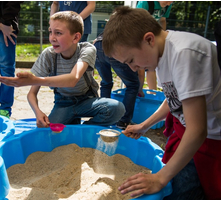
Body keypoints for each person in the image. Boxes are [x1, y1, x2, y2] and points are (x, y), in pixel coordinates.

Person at [102, 6, 221, 200]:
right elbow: (175, 98)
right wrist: (144, 125)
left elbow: (198, 130)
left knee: (181, 191)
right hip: (189, 133)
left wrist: (160, 178)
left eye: (131, 60)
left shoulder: (184, 54)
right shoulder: (160, 53)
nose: (133, 68)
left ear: (148, 39)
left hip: (211, 141)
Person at [0, 11, 125, 128]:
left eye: (58, 33)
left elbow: (73, 79)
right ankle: (74, 125)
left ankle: (82, 130)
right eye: (50, 32)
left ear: (76, 37)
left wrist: (35, 79)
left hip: (87, 100)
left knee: (117, 108)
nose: (52, 38)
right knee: (46, 131)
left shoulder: (87, 49)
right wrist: (38, 112)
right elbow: (31, 94)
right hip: (63, 103)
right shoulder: (48, 55)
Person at [93, 32, 143, 129]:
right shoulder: (138, 28)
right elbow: (140, 73)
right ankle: (123, 121)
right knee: (133, 85)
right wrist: (139, 89)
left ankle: (105, 117)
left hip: (99, 44)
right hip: (115, 46)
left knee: (106, 83)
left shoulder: (118, 19)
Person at [136, 1, 173, 92]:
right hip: (140, 38)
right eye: (167, 1)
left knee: (152, 66)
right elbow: (135, 23)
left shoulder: (167, 5)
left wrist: (162, 37)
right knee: (139, 68)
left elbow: (162, 20)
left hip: (152, 39)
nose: (169, 3)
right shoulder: (145, 3)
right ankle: (135, 91)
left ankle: (153, 92)